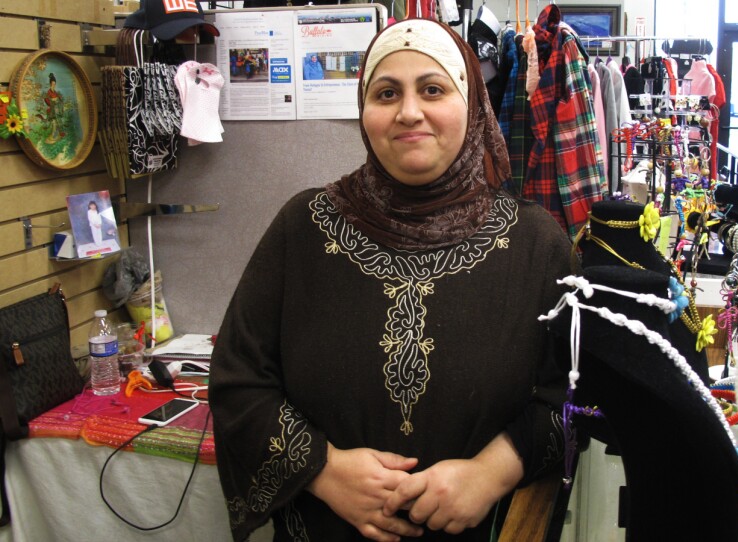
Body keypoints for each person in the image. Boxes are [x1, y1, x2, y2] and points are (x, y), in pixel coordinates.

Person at [209, 18, 573, 542]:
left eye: (432, 89)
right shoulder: (304, 229)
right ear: (364, 112)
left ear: (471, 105)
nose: (408, 111)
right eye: (386, 93)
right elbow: (237, 380)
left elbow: (573, 398)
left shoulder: (537, 245)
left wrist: (492, 472)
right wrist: (322, 469)